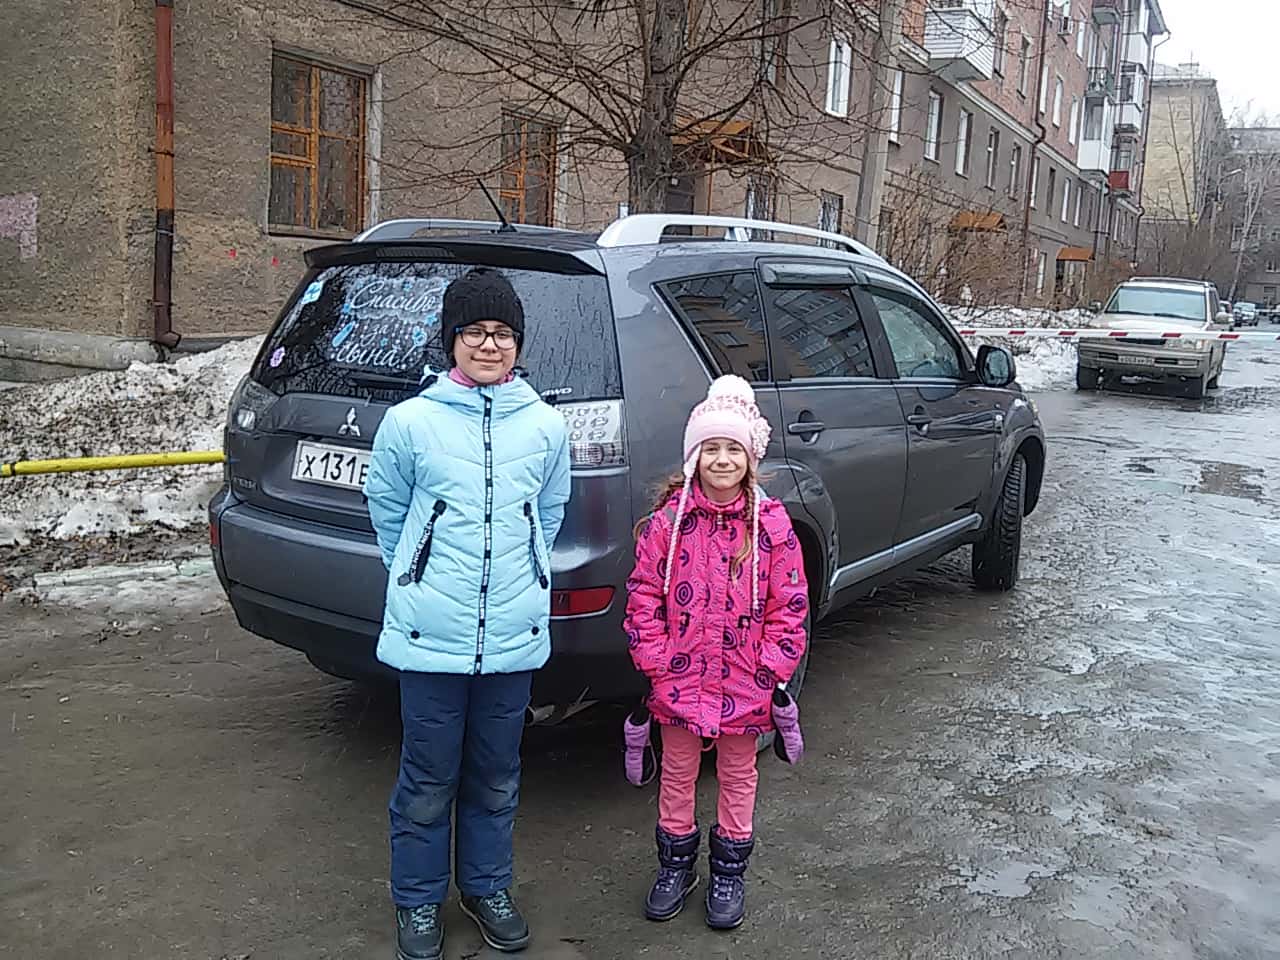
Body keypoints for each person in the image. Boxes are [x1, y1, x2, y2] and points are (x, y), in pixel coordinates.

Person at [364, 267, 571, 960]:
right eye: (475, 331)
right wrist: (418, 571)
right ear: (451, 340)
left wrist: (525, 571)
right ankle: (418, 899)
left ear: (519, 343)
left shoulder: (544, 426)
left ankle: (487, 887)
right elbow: (388, 511)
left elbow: (549, 512)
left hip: (512, 636)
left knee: (496, 775)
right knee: (428, 779)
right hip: (432, 636)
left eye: (503, 333)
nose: (489, 345)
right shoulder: (411, 423)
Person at [622, 375, 809, 930]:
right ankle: (675, 866)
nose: (722, 460)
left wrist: (770, 668)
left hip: (744, 683)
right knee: (677, 773)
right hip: (679, 680)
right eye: (711, 448)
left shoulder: (771, 526)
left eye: (733, 449)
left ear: (750, 458)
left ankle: (729, 871)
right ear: (693, 456)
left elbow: (790, 603)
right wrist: (656, 661)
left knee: (738, 775)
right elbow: (642, 595)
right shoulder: (668, 524)